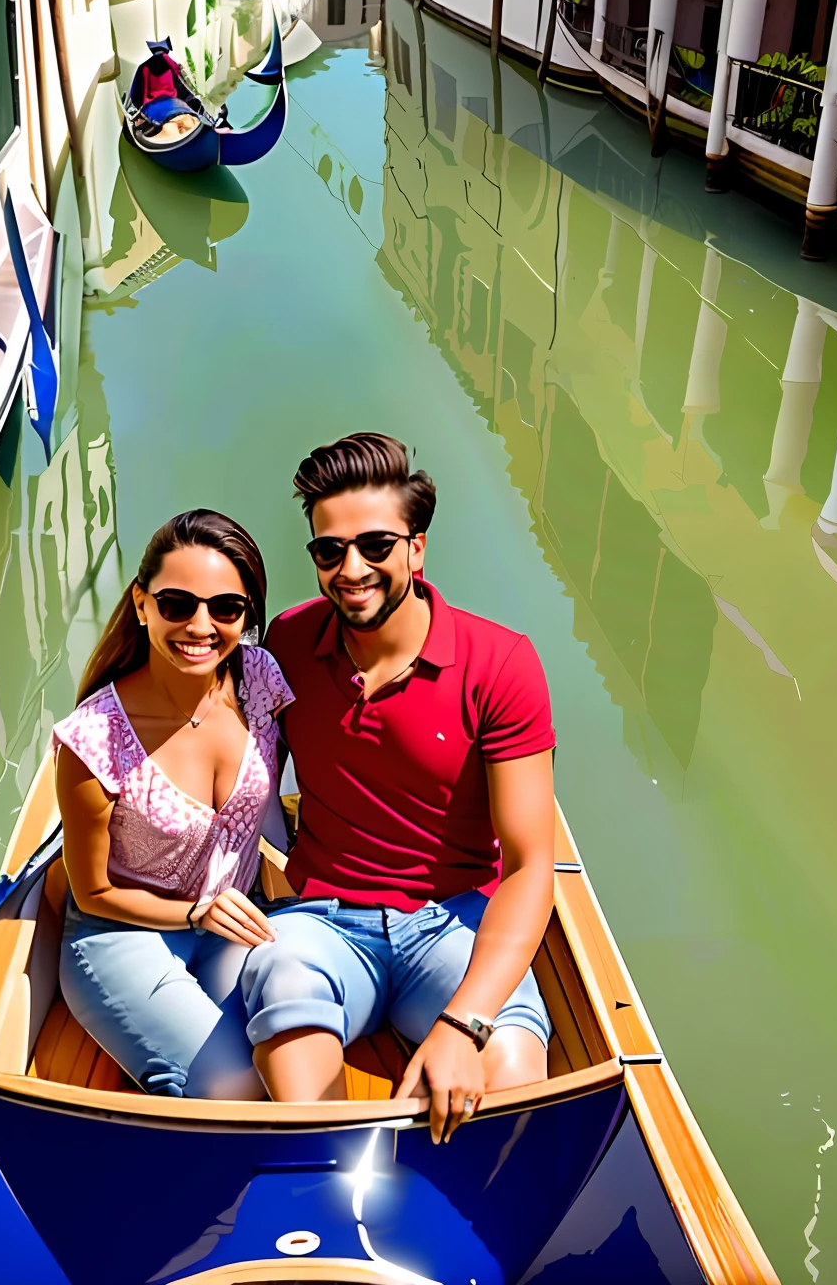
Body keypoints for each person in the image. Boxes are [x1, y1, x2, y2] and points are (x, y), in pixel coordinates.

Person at [241, 432, 555, 1143]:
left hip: (453, 923)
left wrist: (463, 1024)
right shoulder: (288, 643)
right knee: (286, 1013)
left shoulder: (500, 663)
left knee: (509, 1077)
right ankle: (327, 1190)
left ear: (417, 548)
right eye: (329, 551)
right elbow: (235, 767)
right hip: (321, 919)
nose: (351, 569)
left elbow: (534, 863)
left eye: (376, 546)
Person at [52, 510, 292, 1099]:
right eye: (178, 604)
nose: (200, 626)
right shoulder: (93, 739)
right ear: (141, 603)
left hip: (235, 917)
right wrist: (193, 914)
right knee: (233, 1086)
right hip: (120, 932)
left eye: (226, 609)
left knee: (291, 1054)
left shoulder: (259, 678)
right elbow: (92, 892)